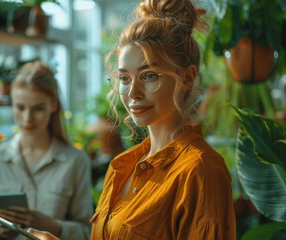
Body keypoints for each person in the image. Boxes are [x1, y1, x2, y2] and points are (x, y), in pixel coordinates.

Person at [28, 0, 236, 239]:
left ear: (187, 77)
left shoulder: (200, 170)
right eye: (125, 78)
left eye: (149, 76)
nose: (133, 93)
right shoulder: (122, 167)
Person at [0, 60, 93, 240]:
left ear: (53, 105)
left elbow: (88, 232)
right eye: (20, 108)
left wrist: (54, 227)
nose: (27, 118)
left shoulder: (76, 161)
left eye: (38, 109)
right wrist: (0, 232)